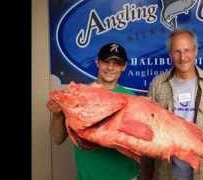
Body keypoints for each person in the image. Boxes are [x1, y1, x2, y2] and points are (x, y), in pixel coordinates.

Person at [141, 28, 203, 180]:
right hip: (167, 172)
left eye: (187, 50)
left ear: (195, 51)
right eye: (177, 51)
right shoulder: (158, 84)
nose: (183, 57)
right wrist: (146, 171)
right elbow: (149, 129)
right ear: (170, 54)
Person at [47, 42, 140, 180]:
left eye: (117, 63)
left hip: (126, 176)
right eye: (106, 62)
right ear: (97, 62)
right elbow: (57, 138)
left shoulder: (131, 98)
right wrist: (57, 114)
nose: (110, 67)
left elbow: (140, 143)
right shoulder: (77, 94)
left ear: (124, 66)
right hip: (88, 177)